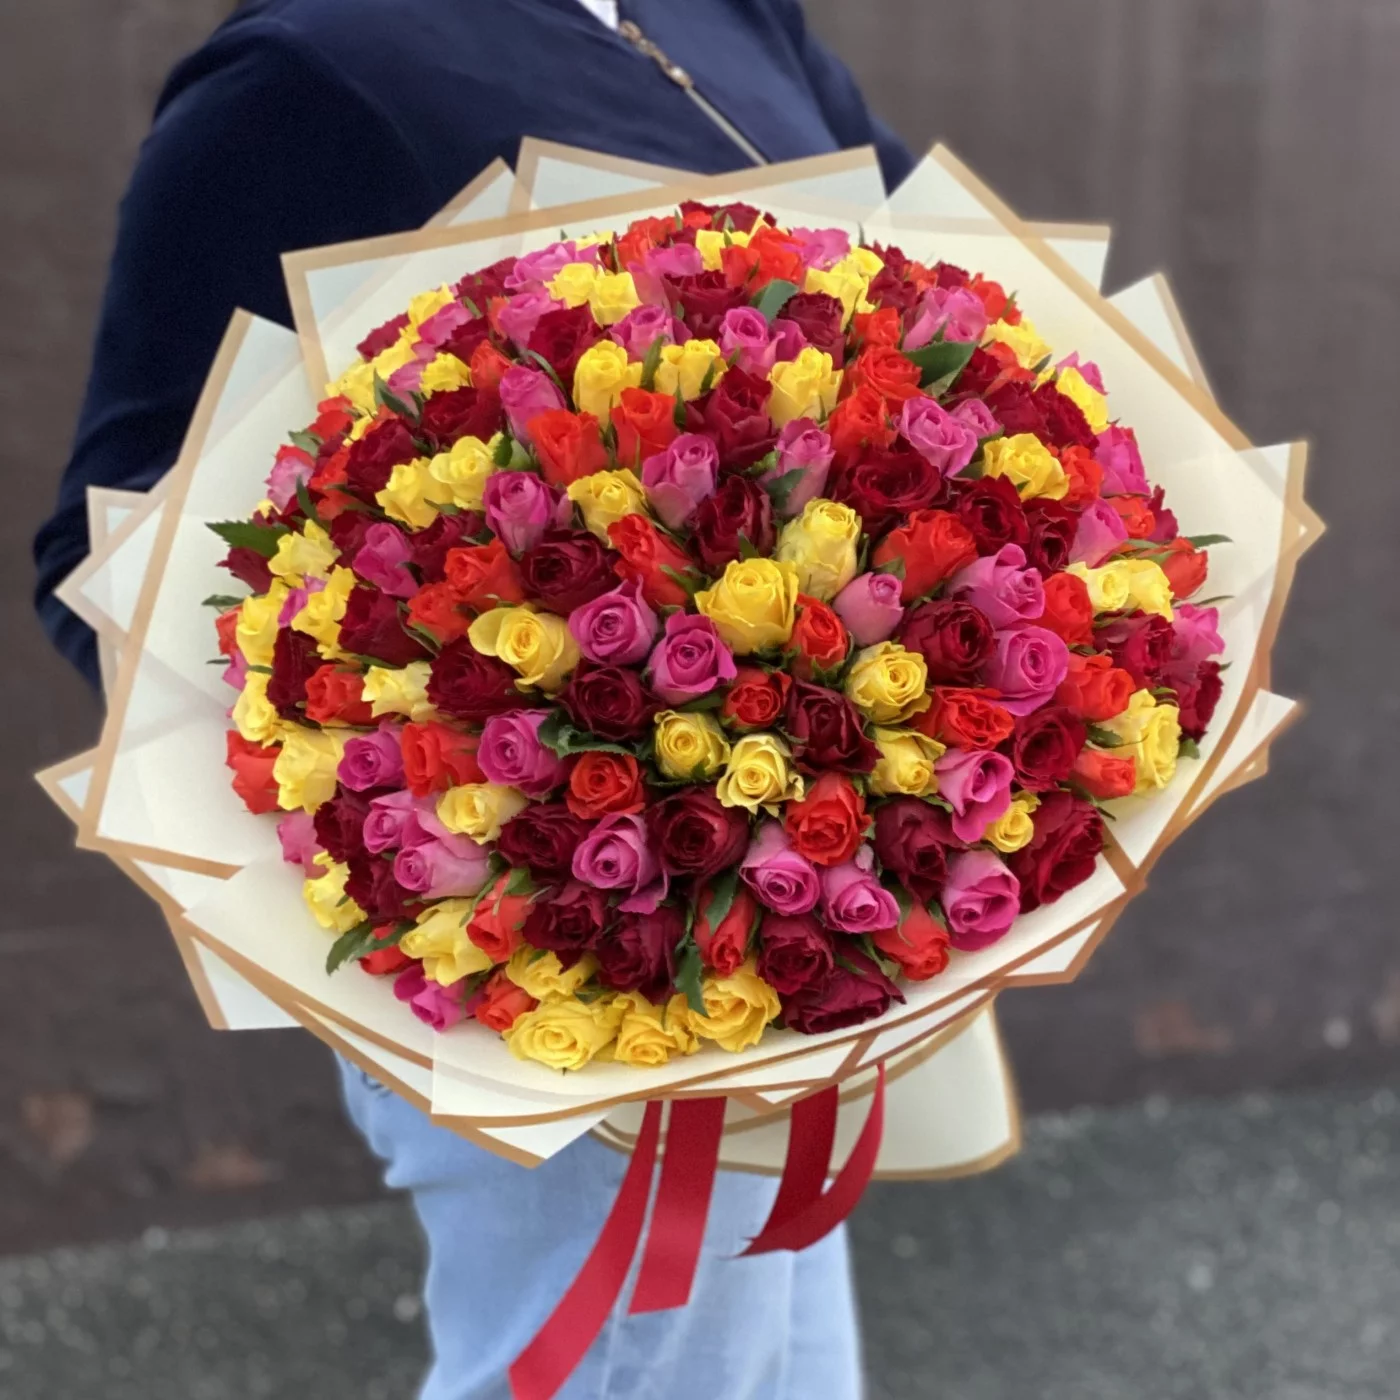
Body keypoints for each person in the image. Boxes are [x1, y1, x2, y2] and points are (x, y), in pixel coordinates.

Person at [34, 3, 912, 1395]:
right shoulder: (308, 70)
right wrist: (431, 813)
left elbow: (951, 319)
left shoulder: (731, 16)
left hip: (794, 903)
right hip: (549, 933)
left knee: (772, 1365)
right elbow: (112, 534)